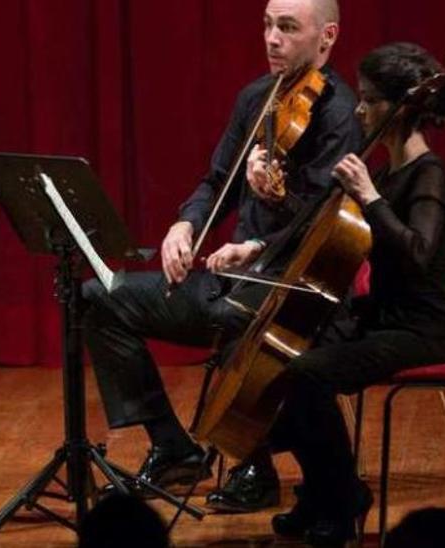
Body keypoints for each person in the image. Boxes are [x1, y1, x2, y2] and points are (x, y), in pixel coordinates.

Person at [81, 0, 359, 513]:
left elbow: (327, 222)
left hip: (295, 288)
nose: (272, 39)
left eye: (288, 28)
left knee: (233, 317)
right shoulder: (256, 98)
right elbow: (215, 183)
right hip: (233, 278)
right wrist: (184, 224)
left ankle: (252, 461)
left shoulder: (339, 112)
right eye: (268, 26)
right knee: (98, 297)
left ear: (328, 37)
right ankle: (172, 446)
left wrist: (276, 204)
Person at [265, 41, 445, 546]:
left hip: (424, 329)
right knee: (285, 354)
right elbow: (329, 228)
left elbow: (418, 255)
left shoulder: (430, 175)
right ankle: (321, 491)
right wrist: (272, 216)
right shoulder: (385, 171)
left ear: (401, 108)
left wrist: (372, 197)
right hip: (385, 316)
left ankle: (341, 500)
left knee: (309, 374)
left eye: (369, 100)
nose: (359, 109)